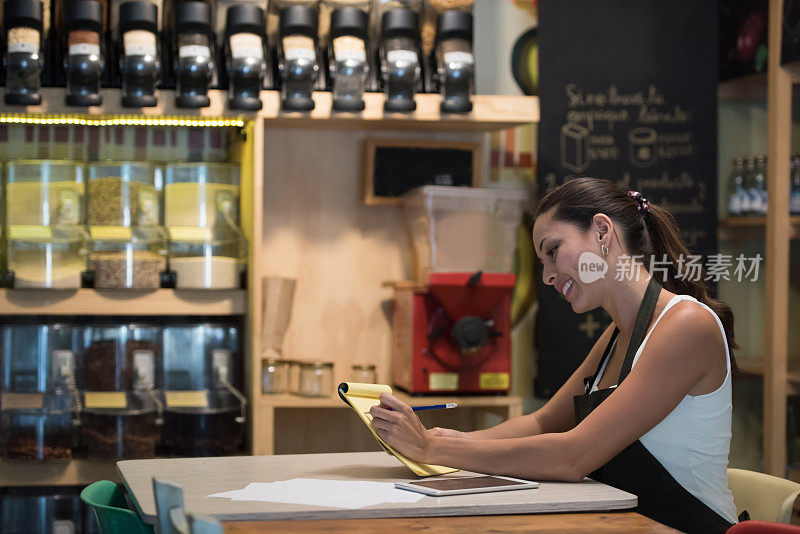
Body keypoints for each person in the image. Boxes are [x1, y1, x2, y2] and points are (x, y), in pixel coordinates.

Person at [369, 177, 739, 533]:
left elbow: (572, 456)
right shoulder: (616, 335)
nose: (547, 276)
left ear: (602, 231)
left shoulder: (687, 325)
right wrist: (442, 438)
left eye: (553, 251)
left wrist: (431, 449)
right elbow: (543, 423)